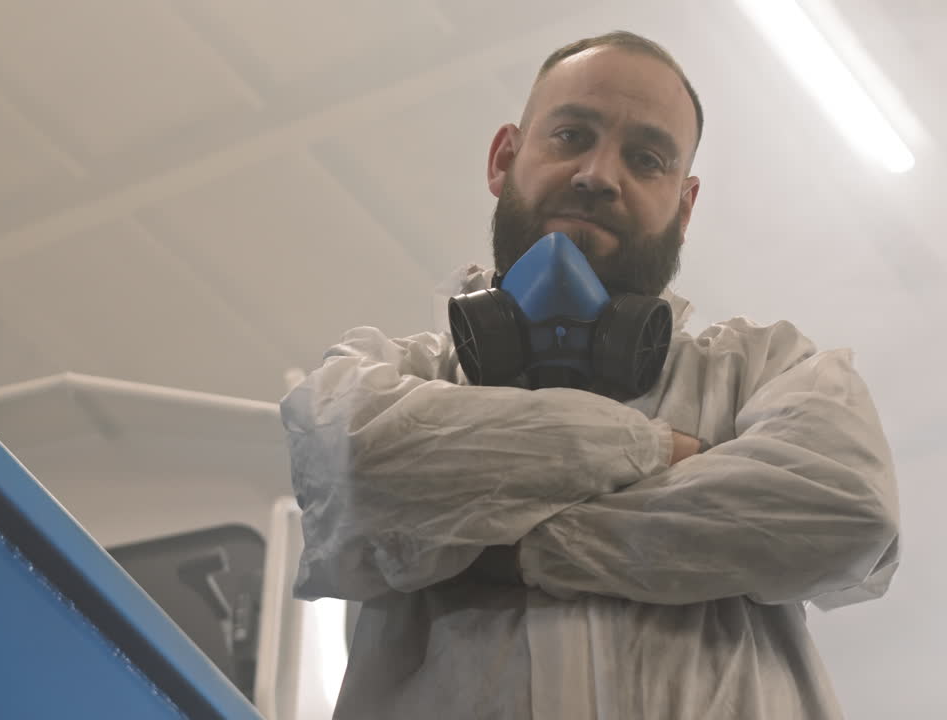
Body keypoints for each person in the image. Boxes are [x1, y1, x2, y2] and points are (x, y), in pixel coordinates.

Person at [280, 31, 900, 720]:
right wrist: (655, 449)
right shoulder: (384, 378)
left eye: (646, 159)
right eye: (572, 136)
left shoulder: (766, 368)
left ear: (684, 207)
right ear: (504, 158)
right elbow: (356, 469)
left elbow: (845, 507)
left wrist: (514, 550)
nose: (599, 175)